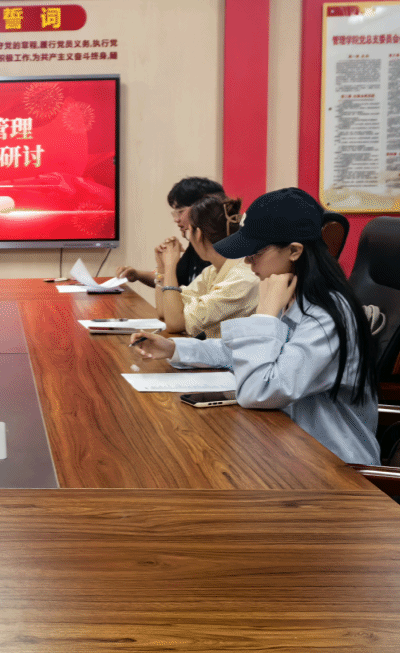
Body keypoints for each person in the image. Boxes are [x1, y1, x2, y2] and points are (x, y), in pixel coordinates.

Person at [130, 187, 379, 465]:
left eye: (255, 252)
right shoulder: (294, 295)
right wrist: (175, 348)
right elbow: (239, 352)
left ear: (294, 251)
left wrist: (266, 317)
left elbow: (260, 390)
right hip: (288, 447)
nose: (248, 263)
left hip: (335, 465)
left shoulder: (327, 317)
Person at [153, 195, 259, 338]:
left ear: (198, 234)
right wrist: (162, 269)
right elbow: (165, 312)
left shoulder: (241, 279)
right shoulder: (212, 271)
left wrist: (171, 266)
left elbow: (175, 323)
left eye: (188, 232)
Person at [116, 176, 225, 289]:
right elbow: (172, 280)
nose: (176, 219)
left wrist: (169, 265)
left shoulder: (222, 257)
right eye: (175, 213)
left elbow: (172, 291)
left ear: (204, 208)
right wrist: (139, 274)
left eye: (181, 211)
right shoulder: (196, 244)